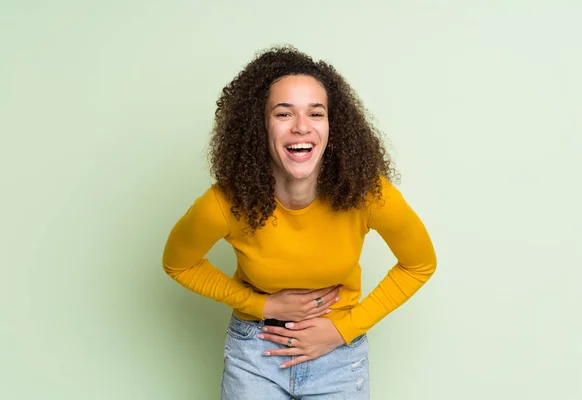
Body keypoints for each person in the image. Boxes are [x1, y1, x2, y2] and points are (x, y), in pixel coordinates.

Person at [162, 45, 437, 400]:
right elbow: (178, 263)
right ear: (259, 125)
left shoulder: (368, 194)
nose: (301, 127)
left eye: (316, 113)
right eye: (283, 113)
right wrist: (262, 305)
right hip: (255, 353)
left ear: (332, 126)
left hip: (339, 356)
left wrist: (343, 330)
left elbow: (420, 264)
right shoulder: (224, 203)